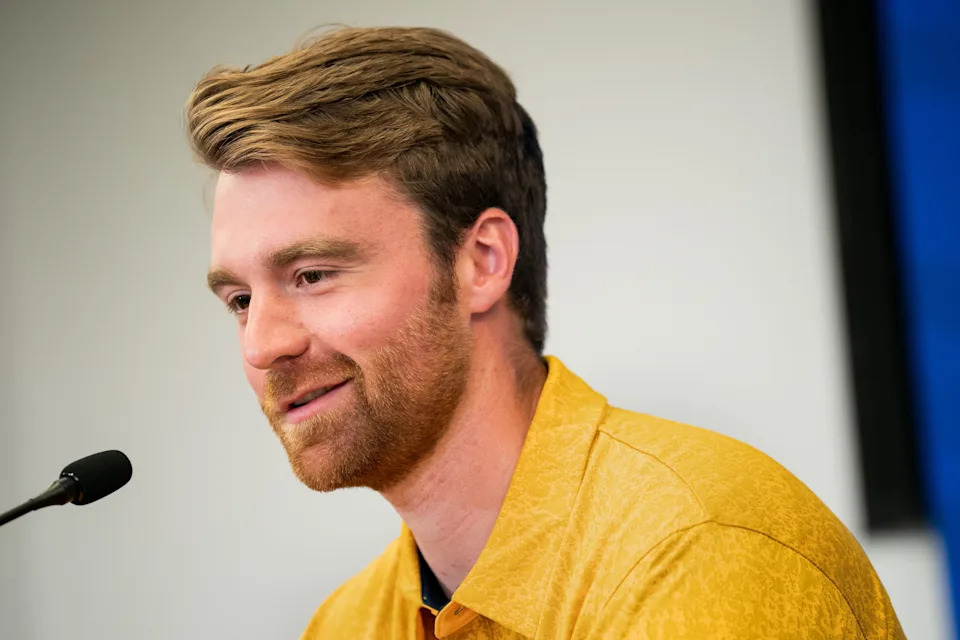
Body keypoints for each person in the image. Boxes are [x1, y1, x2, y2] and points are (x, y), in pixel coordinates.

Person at [187, 26, 904, 640]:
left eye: (312, 275)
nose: (261, 345)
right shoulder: (346, 624)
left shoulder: (698, 550)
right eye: (241, 300)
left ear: (482, 262)